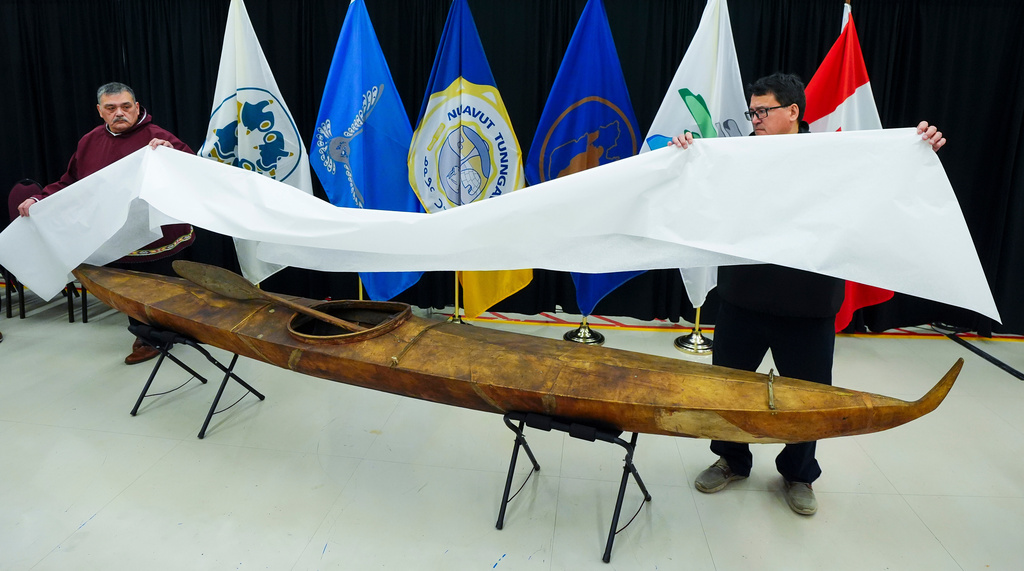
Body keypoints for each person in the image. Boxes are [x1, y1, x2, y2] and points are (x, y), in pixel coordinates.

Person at [670, 72, 945, 516]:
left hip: (808, 305)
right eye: (751, 111)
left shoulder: (833, 158)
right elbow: (697, 187)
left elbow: (884, 183)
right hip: (743, 299)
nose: (754, 119)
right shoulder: (735, 157)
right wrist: (687, 152)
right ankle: (732, 458)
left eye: (763, 111)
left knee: (808, 398)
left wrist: (918, 151)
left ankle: (798, 474)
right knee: (728, 389)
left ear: (793, 111)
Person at [17, 82, 195, 365]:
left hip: (155, 233)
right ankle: (147, 335)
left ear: (137, 107)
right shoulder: (89, 141)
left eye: (126, 106)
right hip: (113, 232)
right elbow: (71, 181)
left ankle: (158, 336)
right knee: (129, 289)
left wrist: (171, 153)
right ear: (100, 111)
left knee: (159, 287)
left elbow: (193, 167)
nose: (120, 113)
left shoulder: (157, 138)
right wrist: (40, 200)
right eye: (111, 108)